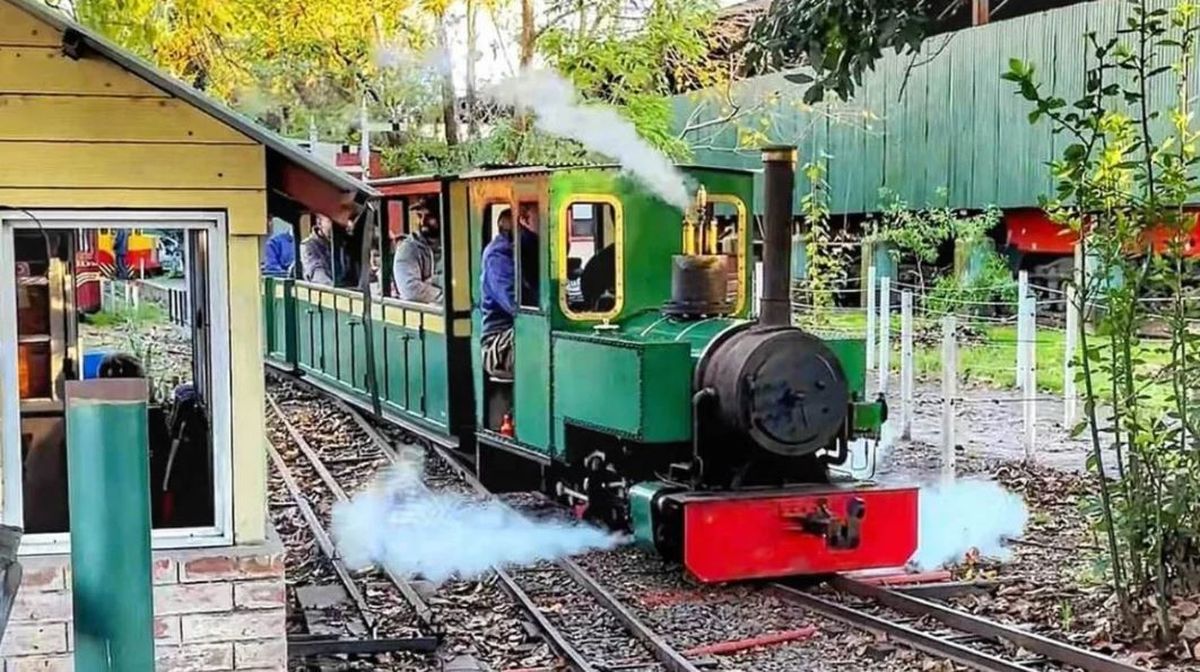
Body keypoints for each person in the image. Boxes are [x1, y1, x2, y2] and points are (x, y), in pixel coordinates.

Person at [480, 209, 536, 380]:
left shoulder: (530, 250)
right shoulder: (498, 256)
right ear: (523, 220)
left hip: (520, 331)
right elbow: (518, 305)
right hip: (499, 343)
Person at [392, 211, 443, 303]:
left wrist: (433, 281)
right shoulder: (408, 249)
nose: (422, 221)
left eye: (429, 216)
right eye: (420, 215)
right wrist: (445, 296)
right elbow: (411, 291)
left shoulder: (456, 243)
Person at [300, 215, 335, 285]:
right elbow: (317, 273)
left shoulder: (345, 244)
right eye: (331, 221)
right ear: (319, 222)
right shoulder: (308, 245)